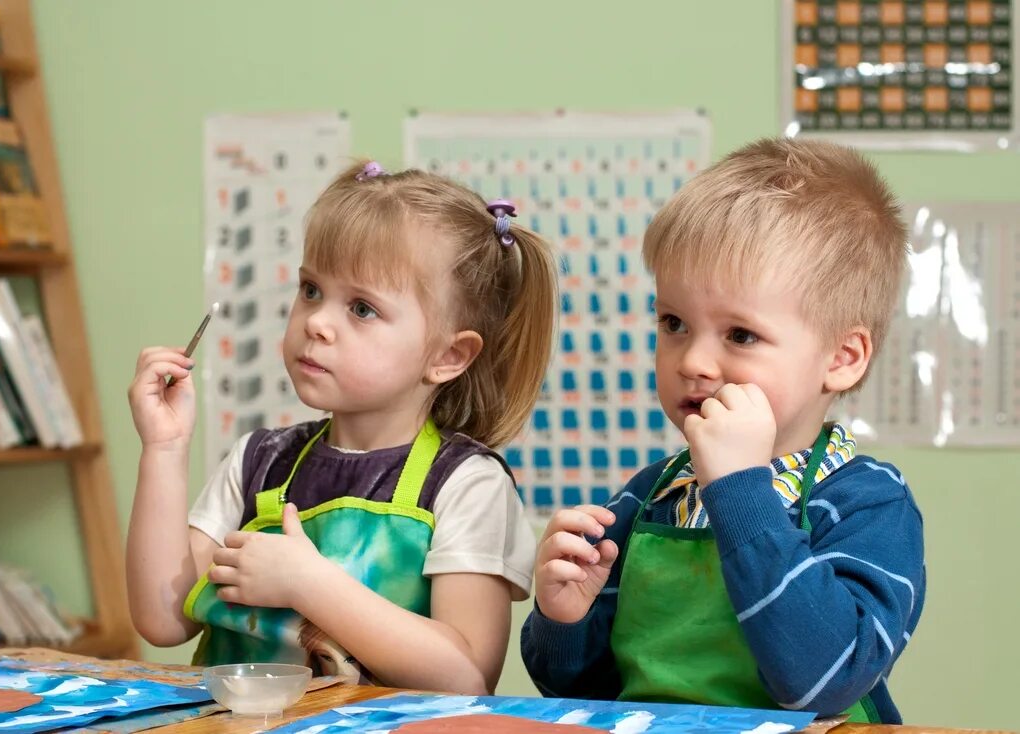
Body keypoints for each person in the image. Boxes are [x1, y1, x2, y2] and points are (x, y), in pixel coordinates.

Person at [522, 138, 926, 723]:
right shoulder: (650, 495)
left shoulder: (870, 504)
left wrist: (741, 491)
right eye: (674, 323)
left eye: (740, 335)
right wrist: (563, 618)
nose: (693, 361)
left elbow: (823, 681)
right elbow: (582, 694)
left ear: (842, 357)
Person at [128, 160, 557, 695]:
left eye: (361, 308)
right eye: (311, 290)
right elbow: (163, 620)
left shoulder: (467, 484)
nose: (317, 322)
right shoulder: (258, 461)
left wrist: (309, 584)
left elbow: (464, 677)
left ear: (448, 356)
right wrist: (164, 449)